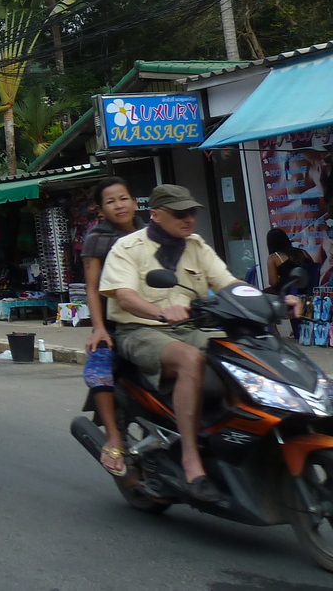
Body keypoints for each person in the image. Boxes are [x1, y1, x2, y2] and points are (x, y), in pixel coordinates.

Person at [100, 183, 300, 503]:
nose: (188, 219)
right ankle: (191, 460)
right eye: (179, 213)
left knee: (248, 353)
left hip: (191, 327)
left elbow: (229, 283)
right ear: (155, 214)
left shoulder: (196, 245)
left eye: (191, 212)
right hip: (141, 330)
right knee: (190, 359)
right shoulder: (128, 246)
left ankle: (243, 435)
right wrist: (160, 311)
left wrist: (273, 301)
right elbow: (124, 296)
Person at [80, 177, 140, 477]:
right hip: (115, 321)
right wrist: (99, 328)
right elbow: (92, 288)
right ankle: (114, 436)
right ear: (101, 209)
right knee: (98, 367)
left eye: (124, 198)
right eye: (111, 201)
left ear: (135, 201)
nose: (119, 205)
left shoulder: (152, 233)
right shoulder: (97, 239)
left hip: (155, 317)